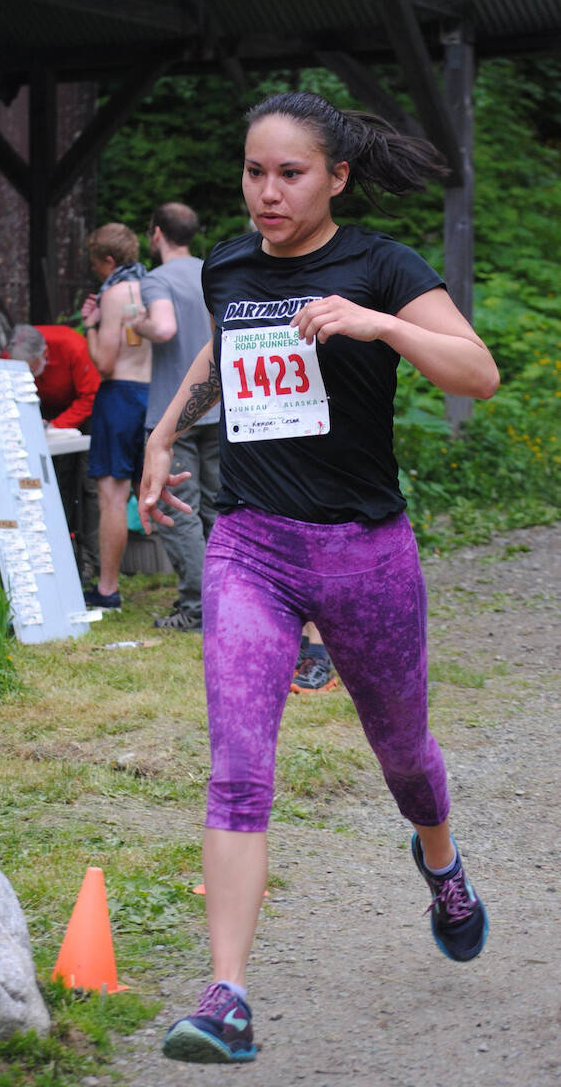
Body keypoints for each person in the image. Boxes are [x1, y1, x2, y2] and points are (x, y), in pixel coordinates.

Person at [138, 91, 499, 1064]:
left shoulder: (379, 264)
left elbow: (476, 372)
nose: (265, 192)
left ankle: (442, 868)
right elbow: (226, 343)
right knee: (236, 762)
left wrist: (376, 325)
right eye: (253, 171)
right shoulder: (224, 262)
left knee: (403, 754)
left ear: (334, 177)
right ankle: (225, 996)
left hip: (363, 551)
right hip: (249, 544)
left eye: (287, 174)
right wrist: (167, 429)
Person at [130, 202, 219, 632]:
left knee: (181, 512)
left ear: (157, 234)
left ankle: (197, 609)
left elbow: (163, 329)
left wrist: (139, 323)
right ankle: (231, 597)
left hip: (173, 413)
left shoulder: (156, 279)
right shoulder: (212, 270)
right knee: (221, 509)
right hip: (219, 407)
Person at [80, 223, 151, 610]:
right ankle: (196, 586)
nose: (97, 274)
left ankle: (107, 588)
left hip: (120, 394)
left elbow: (105, 363)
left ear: (108, 260)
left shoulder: (113, 293)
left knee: (112, 496)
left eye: (96, 266)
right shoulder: (153, 285)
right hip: (152, 393)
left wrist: (90, 327)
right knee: (153, 491)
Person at [4, 322, 101, 583]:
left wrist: (56, 427)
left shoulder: (73, 347)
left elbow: (91, 396)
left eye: (32, 369)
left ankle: (93, 558)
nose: (30, 376)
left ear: (45, 354)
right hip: (42, 411)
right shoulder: (13, 352)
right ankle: (51, 553)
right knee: (53, 483)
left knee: (90, 484)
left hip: (82, 413)